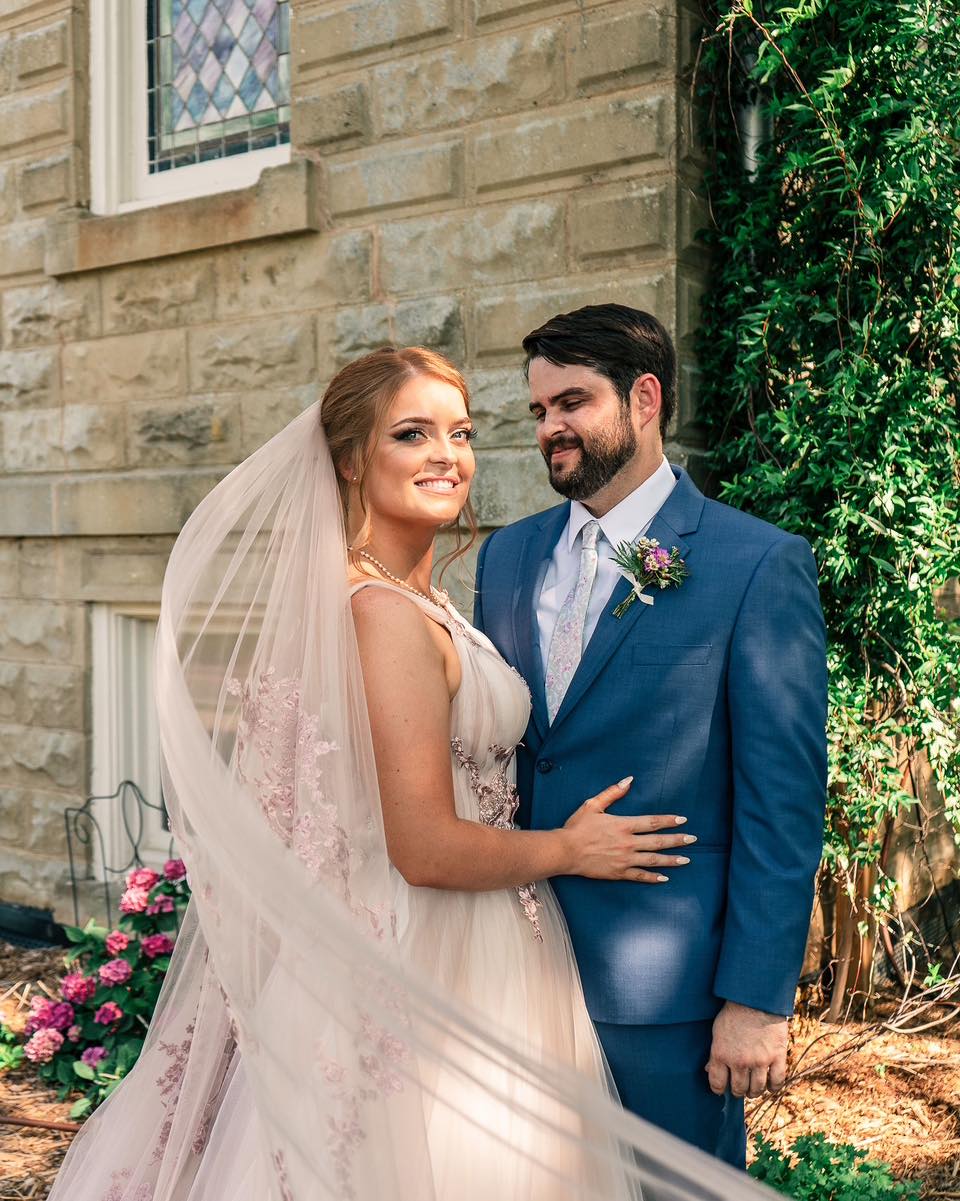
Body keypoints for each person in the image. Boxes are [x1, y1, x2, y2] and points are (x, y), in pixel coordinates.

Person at [46, 346, 768, 1201]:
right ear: (351, 459)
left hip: (472, 946)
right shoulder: (383, 612)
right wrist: (570, 848)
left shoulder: (416, 595)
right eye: (412, 434)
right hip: (427, 953)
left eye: (461, 433)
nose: (447, 456)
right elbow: (422, 845)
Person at [474, 304, 828, 1167]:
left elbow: (783, 806)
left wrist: (756, 1000)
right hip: (510, 972)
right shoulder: (506, 556)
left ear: (644, 399)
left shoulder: (756, 563)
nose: (550, 428)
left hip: (667, 1001)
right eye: (538, 410)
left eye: (572, 402)